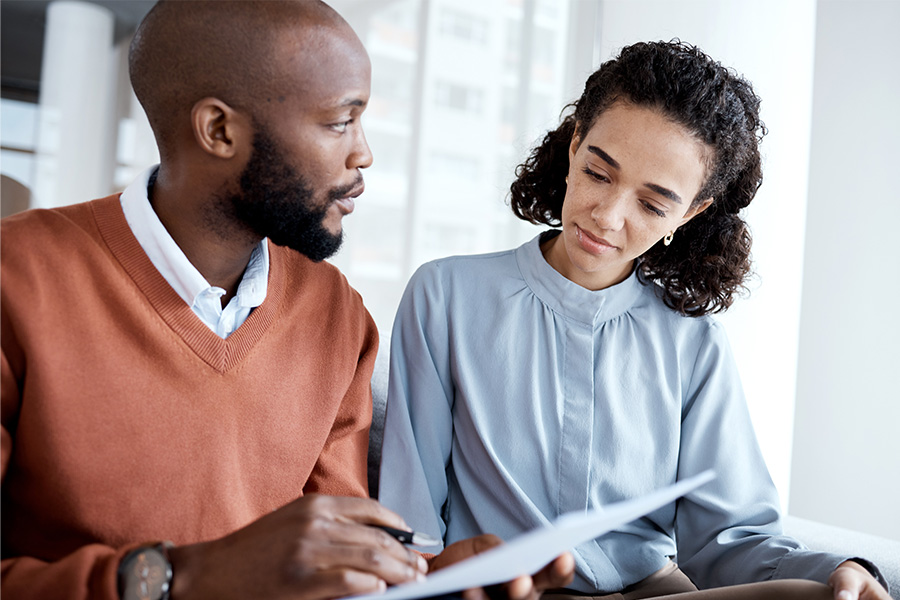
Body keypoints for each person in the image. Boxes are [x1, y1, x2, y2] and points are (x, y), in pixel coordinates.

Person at [0, 2, 573, 599]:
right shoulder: (15, 276)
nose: (363, 153)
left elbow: (335, 567)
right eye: (338, 123)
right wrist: (189, 577)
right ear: (219, 131)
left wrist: (427, 585)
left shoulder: (336, 314)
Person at [378, 41, 891, 600]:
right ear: (574, 145)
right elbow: (411, 516)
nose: (608, 216)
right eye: (599, 172)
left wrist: (841, 571)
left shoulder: (693, 343)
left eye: (652, 204)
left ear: (691, 212)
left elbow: (730, 538)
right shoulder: (446, 295)